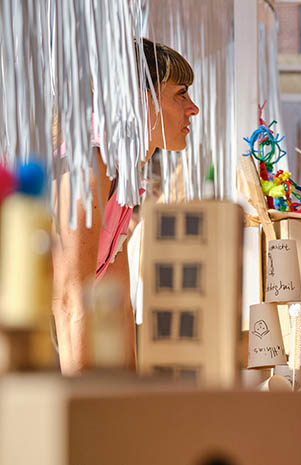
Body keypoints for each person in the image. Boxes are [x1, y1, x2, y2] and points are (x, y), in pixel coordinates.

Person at [51, 38, 200, 374]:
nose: (193, 108)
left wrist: (131, 402)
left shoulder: (123, 177)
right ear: (141, 98)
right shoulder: (92, 162)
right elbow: (70, 301)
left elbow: (116, 308)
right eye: (181, 94)